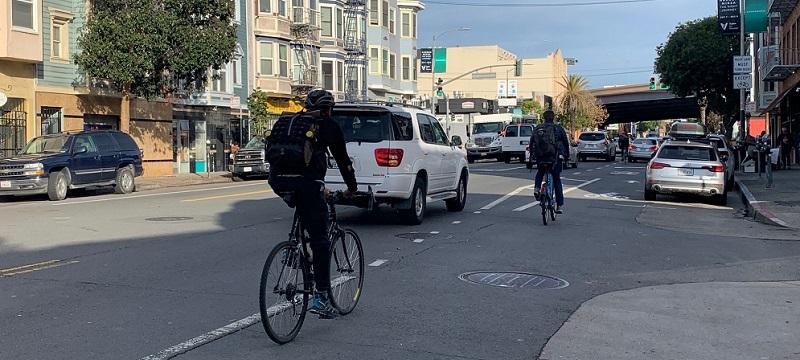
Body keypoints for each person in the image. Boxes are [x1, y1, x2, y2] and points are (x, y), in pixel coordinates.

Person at [267, 89, 358, 319]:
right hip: (307, 185)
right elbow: (344, 162)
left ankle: (295, 250)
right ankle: (322, 297)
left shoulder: (291, 121)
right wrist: (352, 189)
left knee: (306, 205)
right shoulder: (328, 126)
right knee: (320, 241)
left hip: (277, 182)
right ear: (330, 109)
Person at [530, 110, 570, 214]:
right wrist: (567, 156)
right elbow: (566, 143)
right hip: (554, 158)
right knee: (556, 179)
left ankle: (537, 188)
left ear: (543, 118)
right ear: (553, 118)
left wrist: (531, 156)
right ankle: (559, 205)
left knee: (540, 172)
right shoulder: (558, 128)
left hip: (541, 157)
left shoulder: (538, 128)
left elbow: (532, 142)